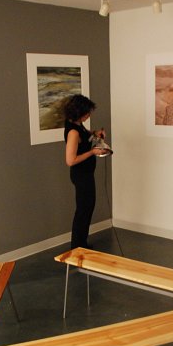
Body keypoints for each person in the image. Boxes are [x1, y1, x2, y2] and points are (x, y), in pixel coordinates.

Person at [64, 94, 105, 249]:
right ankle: (77, 246)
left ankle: (82, 243)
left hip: (86, 174)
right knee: (83, 211)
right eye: (87, 113)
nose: (89, 115)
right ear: (79, 112)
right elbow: (70, 160)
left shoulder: (77, 124)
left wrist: (95, 134)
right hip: (81, 175)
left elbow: (85, 135)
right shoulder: (73, 133)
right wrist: (92, 152)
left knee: (87, 208)